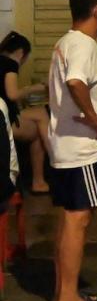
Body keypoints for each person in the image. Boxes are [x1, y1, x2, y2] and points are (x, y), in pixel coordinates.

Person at [45, 0, 97, 301]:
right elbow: (76, 82)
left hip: (67, 146)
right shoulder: (83, 44)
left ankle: (64, 290)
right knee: (79, 219)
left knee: (69, 217)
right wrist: (91, 116)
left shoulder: (66, 42)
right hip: (82, 149)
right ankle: (69, 299)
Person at [0, 31, 52, 193]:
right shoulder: (10, 64)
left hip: (4, 116)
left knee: (38, 124)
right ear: (21, 53)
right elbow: (12, 94)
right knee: (42, 116)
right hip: (3, 121)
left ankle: (40, 181)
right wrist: (35, 88)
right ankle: (57, 165)